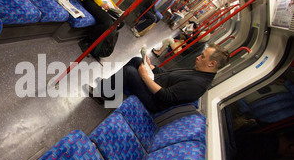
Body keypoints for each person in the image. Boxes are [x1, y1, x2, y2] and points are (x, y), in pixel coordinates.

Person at [87, 43, 229, 113]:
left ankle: (103, 95)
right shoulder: (198, 72)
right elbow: (169, 76)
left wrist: (145, 76)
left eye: (202, 56)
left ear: (212, 63)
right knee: (137, 60)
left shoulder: (198, 84)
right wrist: (152, 67)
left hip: (154, 101)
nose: (198, 57)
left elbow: (165, 96)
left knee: (130, 72)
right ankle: (110, 88)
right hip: (156, 84)